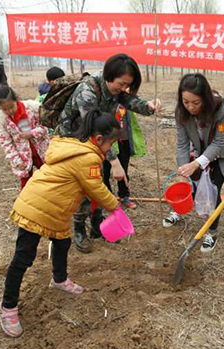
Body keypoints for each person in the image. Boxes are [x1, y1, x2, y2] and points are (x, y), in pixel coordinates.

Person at [0, 109, 122, 337]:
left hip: (54, 209)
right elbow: (96, 189)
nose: (109, 150)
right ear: (100, 139)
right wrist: (115, 205)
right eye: (110, 144)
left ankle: (60, 279)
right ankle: (7, 306)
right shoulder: (89, 157)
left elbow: (88, 185)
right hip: (38, 209)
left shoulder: (74, 146)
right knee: (23, 258)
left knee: (62, 242)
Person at [56, 53, 160, 253]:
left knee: (99, 183)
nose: (123, 89)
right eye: (121, 84)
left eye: (127, 85)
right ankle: (79, 230)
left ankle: (97, 225)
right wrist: (114, 161)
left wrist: (148, 106)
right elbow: (94, 129)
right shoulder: (87, 91)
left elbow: (130, 101)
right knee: (84, 187)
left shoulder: (116, 89)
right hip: (75, 143)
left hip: (96, 144)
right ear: (109, 76)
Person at [164, 73, 224, 253]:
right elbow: (183, 143)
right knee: (194, 179)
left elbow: (219, 143)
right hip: (202, 151)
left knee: (213, 186)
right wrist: (185, 168)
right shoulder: (181, 112)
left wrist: (197, 163)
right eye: (186, 102)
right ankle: (180, 209)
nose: (190, 107)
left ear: (205, 99)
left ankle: (212, 232)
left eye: (196, 102)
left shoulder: (222, 107)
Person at [0, 85, 50, 190]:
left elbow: (45, 126)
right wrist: (16, 160)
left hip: (41, 149)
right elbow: (6, 143)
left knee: (49, 176)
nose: (9, 111)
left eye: (11, 107)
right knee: (26, 184)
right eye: (5, 109)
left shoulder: (33, 108)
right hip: (22, 154)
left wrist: (32, 133)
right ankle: (27, 202)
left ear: (17, 100)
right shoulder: (1, 120)